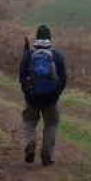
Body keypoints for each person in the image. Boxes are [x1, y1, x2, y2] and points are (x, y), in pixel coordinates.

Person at [19, 24, 67, 167]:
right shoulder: (57, 55)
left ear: (37, 37)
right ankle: (47, 154)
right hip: (51, 98)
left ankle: (30, 142)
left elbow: (21, 76)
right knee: (51, 124)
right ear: (50, 38)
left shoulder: (29, 54)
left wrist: (27, 92)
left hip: (32, 97)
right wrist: (56, 94)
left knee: (29, 121)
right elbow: (63, 78)